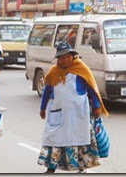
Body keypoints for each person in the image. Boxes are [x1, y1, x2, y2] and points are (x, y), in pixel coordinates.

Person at [37, 42, 109, 173]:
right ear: (58, 59)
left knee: (80, 140)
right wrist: (42, 108)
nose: (65, 60)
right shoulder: (54, 71)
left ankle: (82, 167)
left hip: (79, 113)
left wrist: (97, 106)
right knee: (54, 139)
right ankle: (50, 168)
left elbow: (92, 89)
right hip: (58, 113)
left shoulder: (82, 69)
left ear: (72, 56)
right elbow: (47, 91)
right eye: (62, 57)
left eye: (68, 57)